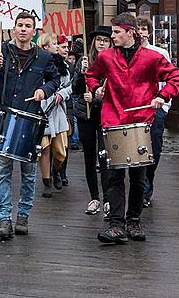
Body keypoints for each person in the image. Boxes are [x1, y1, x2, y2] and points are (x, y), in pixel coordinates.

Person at [85, 13, 179, 244]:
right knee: (114, 175)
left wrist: (162, 95)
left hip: (141, 119)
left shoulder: (151, 57)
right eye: (112, 32)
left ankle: (134, 220)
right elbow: (91, 74)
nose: (112, 36)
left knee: (139, 175)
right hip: (113, 119)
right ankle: (116, 225)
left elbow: (177, 77)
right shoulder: (106, 57)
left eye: (117, 32)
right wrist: (97, 87)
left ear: (130, 32)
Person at [0, 11, 60, 241]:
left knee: (28, 172)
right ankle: (4, 219)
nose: (23, 29)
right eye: (20, 25)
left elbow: (55, 79)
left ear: (34, 31)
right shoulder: (1, 50)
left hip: (30, 118)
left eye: (27, 25)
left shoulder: (43, 56)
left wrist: (45, 91)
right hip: (3, 117)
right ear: (14, 29)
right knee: (2, 172)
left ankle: (23, 215)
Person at [71, 26, 113, 216]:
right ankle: (94, 197)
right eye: (98, 40)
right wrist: (81, 73)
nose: (101, 43)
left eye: (105, 40)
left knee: (105, 156)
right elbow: (75, 89)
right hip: (86, 115)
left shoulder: (114, 61)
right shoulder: (85, 61)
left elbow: (115, 92)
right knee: (89, 157)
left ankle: (108, 199)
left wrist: (96, 100)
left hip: (105, 114)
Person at [137, 16, 172, 207]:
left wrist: (164, 104)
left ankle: (148, 183)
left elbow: (170, 78)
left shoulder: (159, 53)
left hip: (155, 107)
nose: (141, 32)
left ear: (149, 32)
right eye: (138, 29)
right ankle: (140, 189)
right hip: (135, 108)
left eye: (144, 29)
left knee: (154, 148)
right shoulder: (128, 53)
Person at [36, 33, 71, 197]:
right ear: (45, 47)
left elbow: (68, 86)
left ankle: (56, 170)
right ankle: (46, 181)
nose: (57, 46)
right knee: (45, 148)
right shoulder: (35, 64)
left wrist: (62, 94)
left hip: (57, 111)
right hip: (41, 111)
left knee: (60, 150)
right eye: (54, 44)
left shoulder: (62, 65)